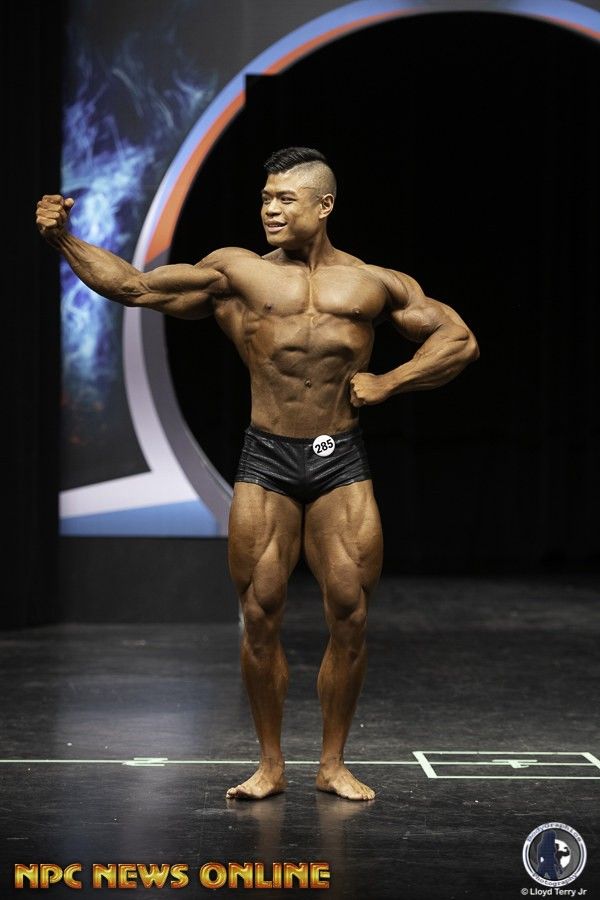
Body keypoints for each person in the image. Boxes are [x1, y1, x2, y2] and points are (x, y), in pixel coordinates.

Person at [36, 146, 479, 802]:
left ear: (324, 205)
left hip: (339, 459)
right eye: (266, 197)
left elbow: (458, 340)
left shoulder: (372, 284)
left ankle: (332, 765)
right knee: (260, 612)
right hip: (267, 459)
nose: (270, 208)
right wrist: (65, 240)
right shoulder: (236, 272)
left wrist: (391, 381)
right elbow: (134, 286)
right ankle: (270, 765)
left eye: (285, 199)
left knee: (351, 613)